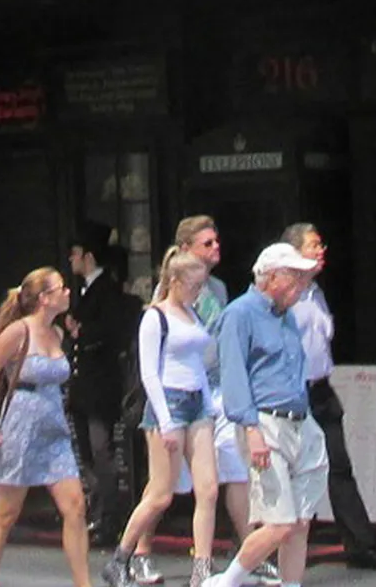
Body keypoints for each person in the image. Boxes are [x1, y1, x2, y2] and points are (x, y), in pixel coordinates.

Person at [131, 215, 274, 587]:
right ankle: (139, 552)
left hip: (216, 391)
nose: (215, 248)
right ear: (184, 250)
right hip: (180, 395)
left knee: (231, 473)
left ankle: (245, 552)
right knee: (163, 486)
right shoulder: (171, 294)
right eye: (206, 243)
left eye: (216, 241)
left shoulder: (220, 288)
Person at [205, 241, 326, 587]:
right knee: (280, 522)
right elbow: (233, 376)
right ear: (272, 277)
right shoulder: (240, 314)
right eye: (295, 279)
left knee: (301, 521)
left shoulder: (285, 315)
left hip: (300, 419)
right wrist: (250, 428)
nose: (301, 288)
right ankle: (226, 581)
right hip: (265, 422)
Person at [102, 250, 218, 587]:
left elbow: (198, 363)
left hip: (197, 402)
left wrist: (208, 406)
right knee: (161, 494)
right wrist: (165, 421)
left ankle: (202, 569)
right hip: (167, 402)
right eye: (194, 285)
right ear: (175, 282)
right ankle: (121, 557)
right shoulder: (155, 317)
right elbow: (149, 373)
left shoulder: (192, 315)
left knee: (208, 490)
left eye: (202, 285)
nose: (198, 292)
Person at [284, 222, 376, 569]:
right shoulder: (283, 297)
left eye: (321, 244)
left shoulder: (316, 292)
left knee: (339, 465)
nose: (321, 251)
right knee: (290, 471)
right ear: (293, 252)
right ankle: (279, 548)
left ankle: (360, 545)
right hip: (291, 394)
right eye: (312, 245)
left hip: (321, 389)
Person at [0, 267, 92, 587]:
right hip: (21, 428)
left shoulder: (58, 333)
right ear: (44, 298)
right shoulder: (18, 332)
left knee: (75, 506)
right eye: (61, 288)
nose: (68, 292)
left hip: (54, 428)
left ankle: (84, 583)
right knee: (7, 512)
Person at [69, 223, 130, 545]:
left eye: (76, 254)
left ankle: (109, 517)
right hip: (83, 384)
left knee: (100, 449)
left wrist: (82, 332)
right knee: (86, 453)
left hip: (101, 383)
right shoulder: (81, 290)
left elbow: (112, 332)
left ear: (89, 257)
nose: (71, 260)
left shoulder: (107, 288)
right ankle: (96, 511)